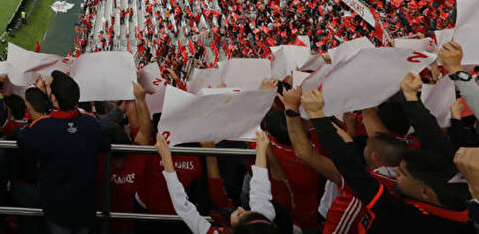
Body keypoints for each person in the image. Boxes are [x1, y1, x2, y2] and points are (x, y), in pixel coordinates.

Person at [302, 86, 471, 232]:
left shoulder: (409, 220)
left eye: (403, 173)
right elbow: (436, 142)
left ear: (425, 192)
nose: (395, 169)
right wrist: (410, 97)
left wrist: (317, 116)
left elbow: (354, 172)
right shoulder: (459, 202)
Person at [16, 70, 110, 233]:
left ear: (53, 99)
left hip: (57, 210)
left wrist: (39, 97)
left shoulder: (43, 127)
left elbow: (22, 139)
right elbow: (105, 144)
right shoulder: (91, 124)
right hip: (85, 207)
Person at [158, 130, 276, 233]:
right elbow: (260, 192)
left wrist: (167, 160)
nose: (240, 208)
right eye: (245, 211)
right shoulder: (263, 222)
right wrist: (261, 149)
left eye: (240, 215)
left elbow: (184, 208)